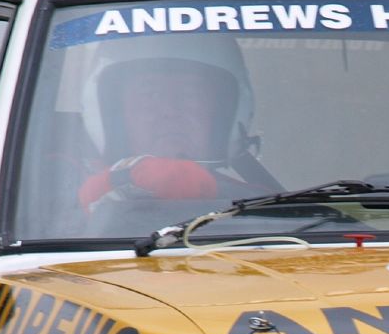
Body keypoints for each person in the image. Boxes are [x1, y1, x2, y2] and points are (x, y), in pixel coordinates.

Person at [77, 35, 260, 208]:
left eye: (190, 96)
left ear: (223, 115)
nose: (170, 111)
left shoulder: (267, 209)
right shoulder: (57, 203)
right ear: (114, 115)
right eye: (151, 95)